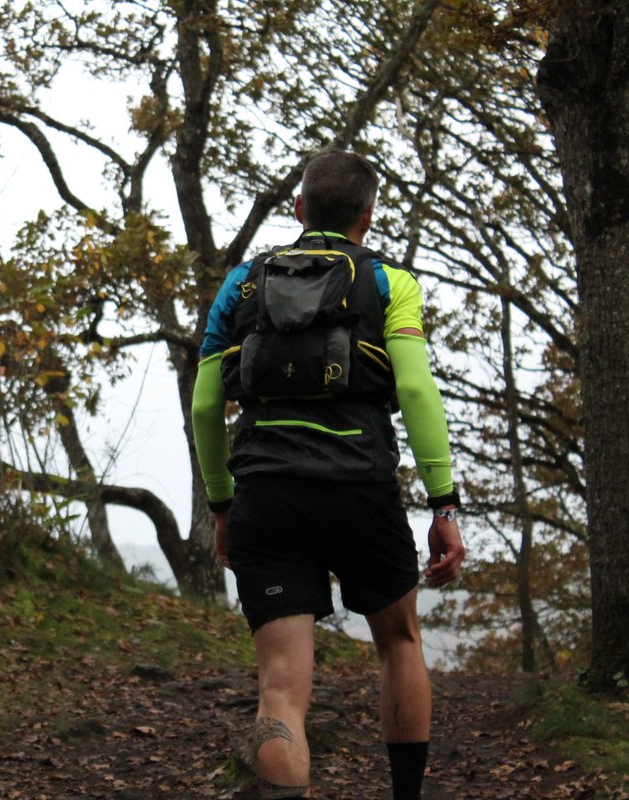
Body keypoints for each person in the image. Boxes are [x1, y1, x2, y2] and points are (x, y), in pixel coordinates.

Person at [191, 150, 465, 800]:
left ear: (298, 209)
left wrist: (223, 507)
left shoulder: (241, 285)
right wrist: (444, 505)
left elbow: (205, 405)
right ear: (367, 217)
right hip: (361, 489)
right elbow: (419, 394)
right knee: (399, 643)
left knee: (280, 688)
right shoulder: (389, 284)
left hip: (267, 493)